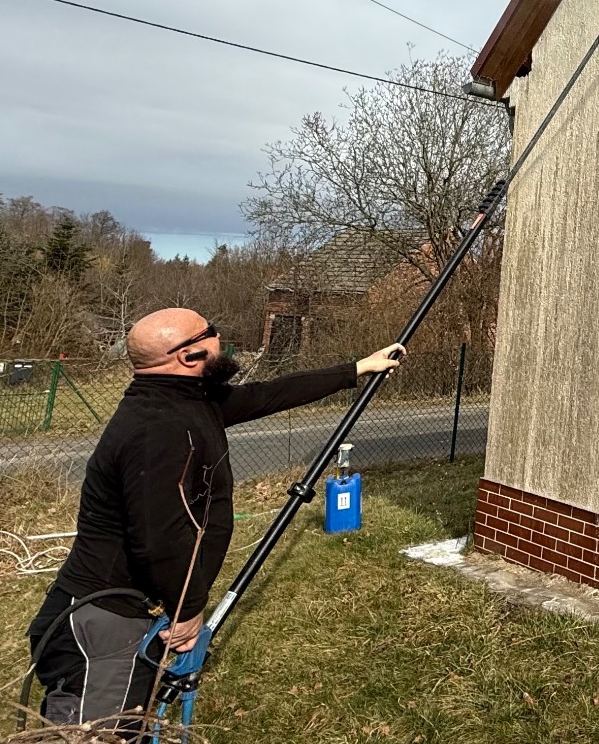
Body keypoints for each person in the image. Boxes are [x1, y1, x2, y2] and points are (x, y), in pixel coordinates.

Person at [26, 308, 403, 724]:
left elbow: (268, 395)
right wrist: (188, 612)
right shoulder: (157, 428)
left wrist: (357, 369)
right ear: (188, 355)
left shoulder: (186, 398)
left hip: (123, 610)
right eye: (211, 332)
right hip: (102, 622)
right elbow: (160, 538)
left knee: (129, 720)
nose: (221, 338)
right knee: (97, 730)